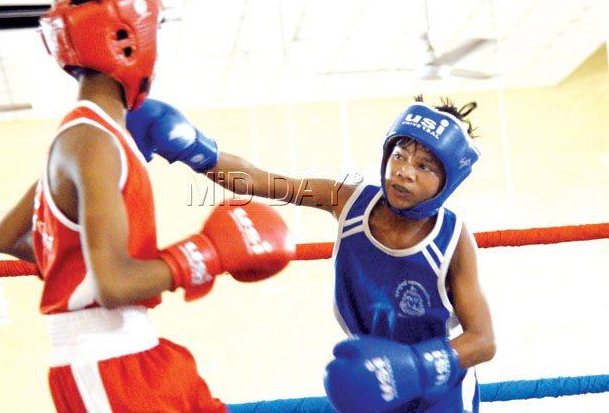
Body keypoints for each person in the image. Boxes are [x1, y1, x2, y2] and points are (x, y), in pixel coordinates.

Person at [0, 0, 294, 412]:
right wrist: (205, 253)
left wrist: (71, 265)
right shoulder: (93, 142)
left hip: (139, 352)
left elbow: (9, 236)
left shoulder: (94, 136)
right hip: (105, 366)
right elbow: (115, 285)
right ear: (127, 39)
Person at [127, 96, 496, 412]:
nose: (403, 172)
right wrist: (194, 149)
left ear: (447, 180)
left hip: (439, 389)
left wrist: (414, 368)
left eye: (424, 166)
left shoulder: (452, 237)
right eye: (399, 155)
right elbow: (262, 180)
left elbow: (483, 340)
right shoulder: (348, 200)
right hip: (369, 378)